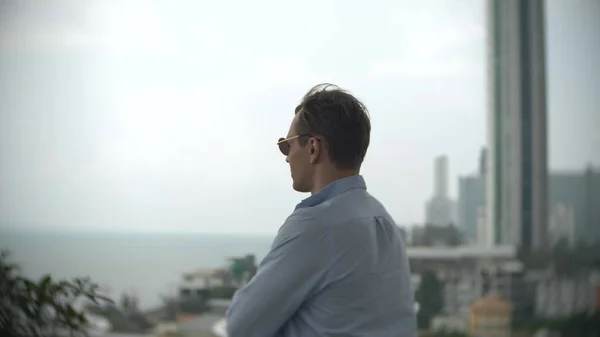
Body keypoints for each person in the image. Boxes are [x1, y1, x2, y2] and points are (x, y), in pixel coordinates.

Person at [226, 84, 417, 337]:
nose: (286, 156)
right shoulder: (383, 221)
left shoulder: (315, 225)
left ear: (313, 148)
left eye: (287, 145)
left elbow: (240, 326)